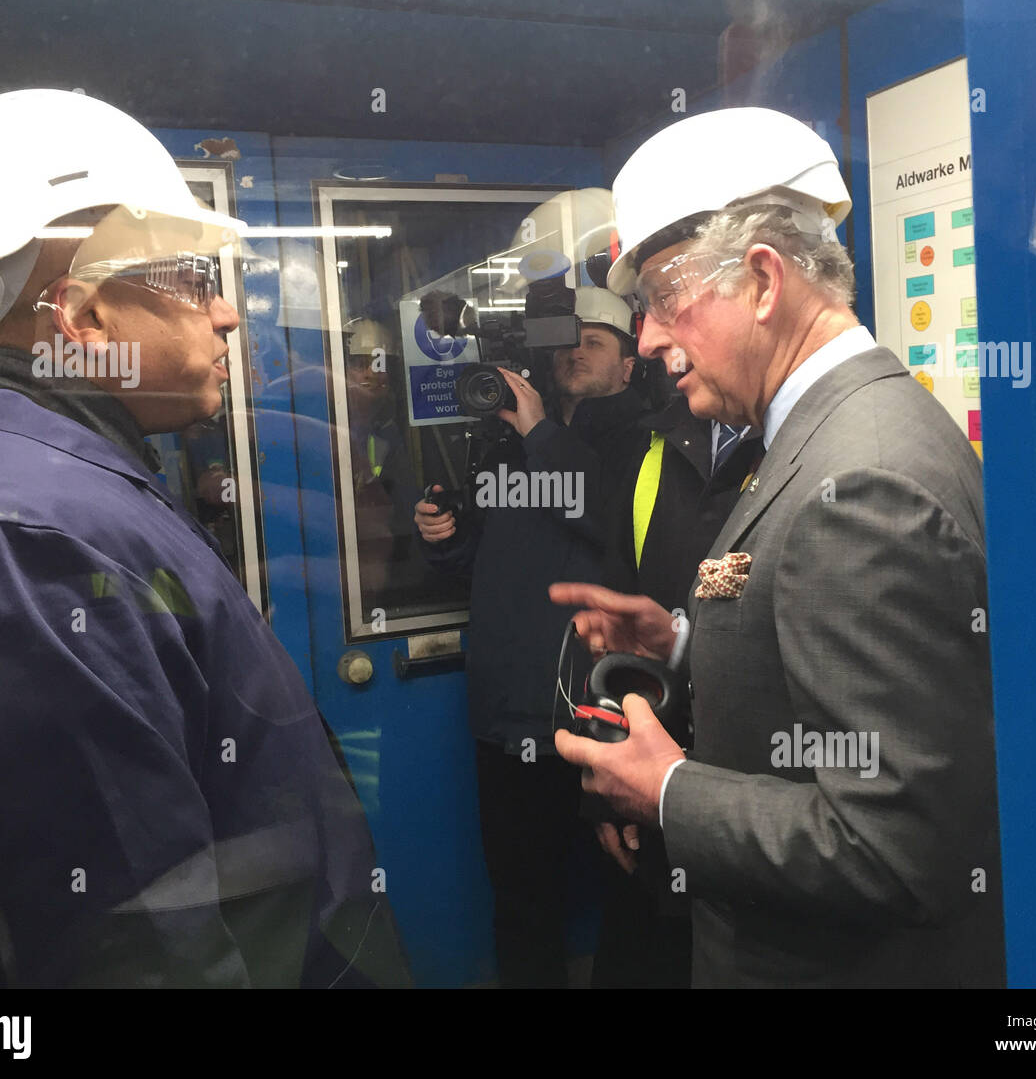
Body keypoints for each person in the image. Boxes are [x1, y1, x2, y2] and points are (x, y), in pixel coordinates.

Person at [0, 89, 409, 988]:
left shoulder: (62, 483)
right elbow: (137, 953)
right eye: (195, 281)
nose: (228, 314)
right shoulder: (22, 548)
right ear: (83, 320)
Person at [552, 106, 1005, 988]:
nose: (646, 340)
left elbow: (897, 846)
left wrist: (671, 791)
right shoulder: (825, 434)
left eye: (662, 300)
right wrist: (684, 642)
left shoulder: (863, 478)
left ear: (763, 280)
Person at [414, 285, 649, 987]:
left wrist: (541, 431)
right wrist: (448, 539)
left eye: (597, 341)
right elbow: (490, 564)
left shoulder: (646, 439)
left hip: (603, 721)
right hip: (507, 719)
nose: (576, 351)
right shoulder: (510, 442)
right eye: (568, 340)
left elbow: (604, 520)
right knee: (521, 909)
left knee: (634, 900)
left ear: (630, 366)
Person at [590, 392, 764, 988]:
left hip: (756, 797)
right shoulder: (653, 446)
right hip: (647, 781)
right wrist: (605, 789)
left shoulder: (801, 444)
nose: (654, 341)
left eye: (672, 300)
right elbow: (615, 633)